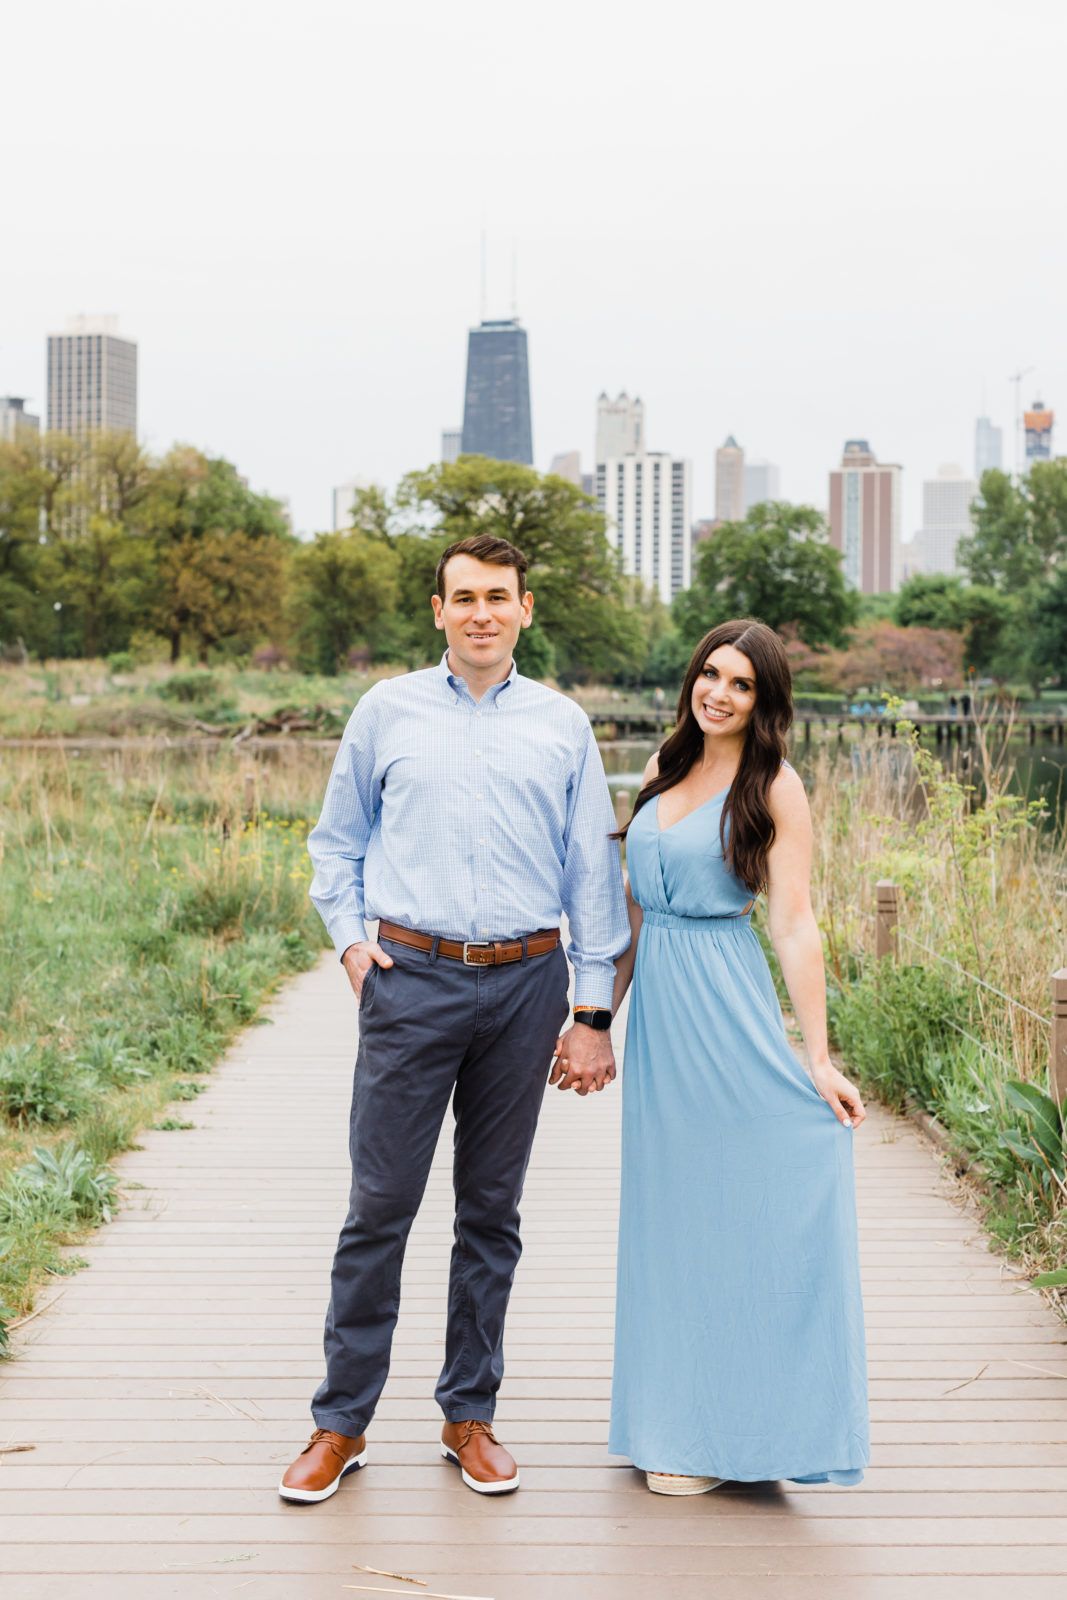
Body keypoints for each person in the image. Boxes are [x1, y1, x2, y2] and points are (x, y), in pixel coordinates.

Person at [279, 533, 629, 1503]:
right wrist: (351, 940)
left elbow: (590, 875)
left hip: (525, 985)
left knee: (490, 1212)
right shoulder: (384, 710)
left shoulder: (561, 726)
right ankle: (338, 1423)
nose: (481, 611)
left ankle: (467, 1414)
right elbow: (334, 841)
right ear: (437, 611)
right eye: (463, 596)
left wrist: (591, 1010)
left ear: (524, 610)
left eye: (498, 596)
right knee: (378, 1209)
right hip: (410, 980)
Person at [601, 618, 869, 1495]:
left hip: (724, 999)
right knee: (671, 1218)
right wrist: (595, 1019)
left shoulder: (775, 785)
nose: (717, 691)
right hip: (660, 1024)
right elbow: (631, 917)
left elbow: (792, 923)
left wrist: (817, 1058)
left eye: (741, 683)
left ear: (765, 700)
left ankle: (749, 1429)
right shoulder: (660, 770)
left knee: (742, 1206)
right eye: (709, 674)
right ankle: (678, 1421)